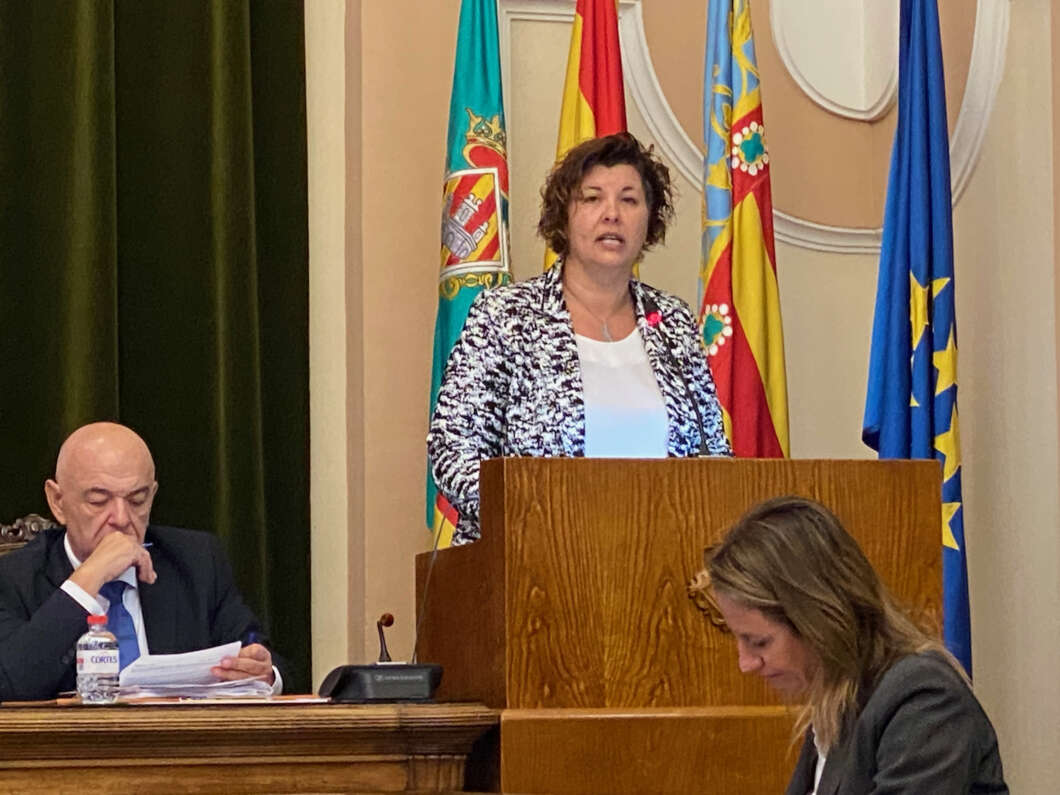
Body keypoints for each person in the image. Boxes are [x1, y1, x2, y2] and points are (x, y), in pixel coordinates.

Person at [428, 132, 731, 544]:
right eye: (592, 198)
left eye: (629, 200)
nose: (612, 214)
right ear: (564, 217)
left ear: (649, 220)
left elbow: (715, 459)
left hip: (663, 557)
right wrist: (534, 515)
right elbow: (453, 448)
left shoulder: (672, 323)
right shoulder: (506, 316)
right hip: (533, 555)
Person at [689, 496, 1007, 794]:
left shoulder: (925, 699)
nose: (745, 663)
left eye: (759, 642)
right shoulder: (840, 702)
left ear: (819, 620)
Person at [0, 422, 284, 701]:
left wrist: (264, 673)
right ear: (58, 501)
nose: (122, 519)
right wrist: (91, 576)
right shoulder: (13, 579)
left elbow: (258, 651)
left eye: (137, 500)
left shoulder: (197, 562)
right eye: (99, 501)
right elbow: (10, 683)